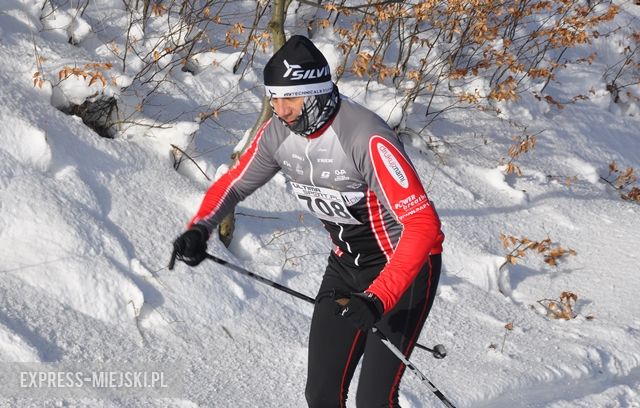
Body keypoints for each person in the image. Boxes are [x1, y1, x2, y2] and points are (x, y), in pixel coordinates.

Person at [172, 35, 445, 407]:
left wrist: (380, 296)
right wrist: (200, 227)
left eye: (290, 99)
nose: (280, 110)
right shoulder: (278, 134)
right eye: (274, 99)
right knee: (321, 395)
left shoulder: (365, 137)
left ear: (316, 94)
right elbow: (233, 185)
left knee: (374, 402)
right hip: (346, 267)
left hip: (404, 271)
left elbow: (423, 226)